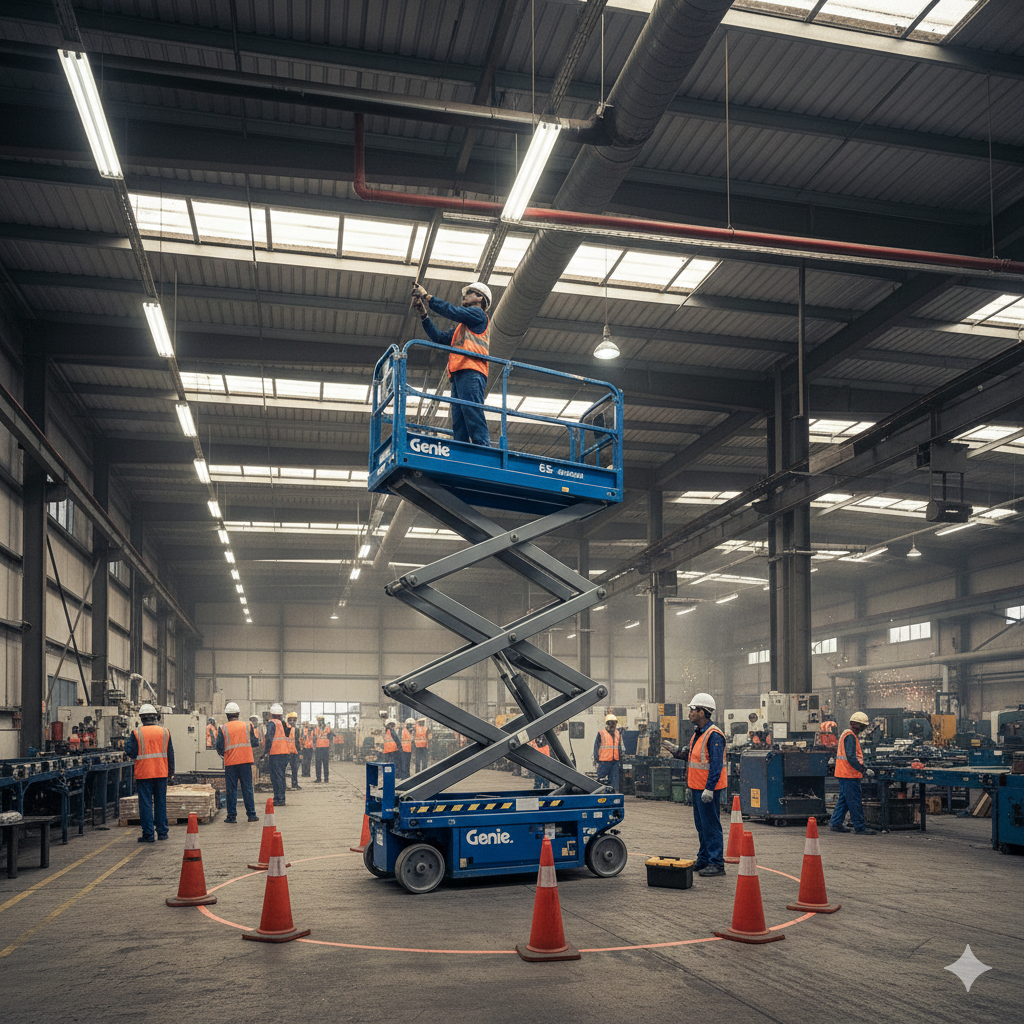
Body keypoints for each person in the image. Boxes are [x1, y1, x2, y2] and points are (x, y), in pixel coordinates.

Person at [411, 279, 492, 446]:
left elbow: (452, 311)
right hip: (458, 374)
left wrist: (427, 297)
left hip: (472, 370)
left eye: (470, 293)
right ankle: (461, 451)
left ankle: (483, 448)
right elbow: (439, 338)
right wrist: (423, 314)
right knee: (458, 419)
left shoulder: (479, 315)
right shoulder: (461, 328)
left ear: (480, 299)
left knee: (472, 412)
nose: (465, 295)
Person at [663, 692, 727, 877]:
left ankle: (716, 863)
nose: (690, 713)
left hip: (708, 790)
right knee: (702, 826)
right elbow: (693, 757)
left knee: (711, 826)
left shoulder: (713, 735)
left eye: (693, 709)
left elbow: (716, 765)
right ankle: (705, 858)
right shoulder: (698, 734)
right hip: (697, 788)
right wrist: (677, 752)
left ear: (703, 711)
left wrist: (709, 788)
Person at [125, 703, 174, 843]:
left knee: (146, 804)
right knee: (160, 802)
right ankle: (162, 832)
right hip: (161, 772)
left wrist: (125, 745)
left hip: (144, 773)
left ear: (141, 718)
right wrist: (171, 773)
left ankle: (148, 834)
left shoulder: (136, 733)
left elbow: (131, 752)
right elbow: (170, 754)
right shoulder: (165, 731)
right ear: (155, 717)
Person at [830, 711, 878, 835]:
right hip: (849, 774)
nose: (862, 729)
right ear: (857, 725)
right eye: (862, 726)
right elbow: (851, 757)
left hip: (844, 773)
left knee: (844, 800)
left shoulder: (846, 734)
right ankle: (860, 827)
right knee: (854, 801)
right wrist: (863, 769)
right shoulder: (850, 736)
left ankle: (836, 823)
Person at [216, 701, 260, 823]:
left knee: (231, 789)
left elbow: (219, 746)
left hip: (231, 763)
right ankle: (251, 814)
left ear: (227, 715)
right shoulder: (247, 725)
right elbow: (255, 742)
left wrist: (225, 754)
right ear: (238, 714)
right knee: (247, 788)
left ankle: (231, 816)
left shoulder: (223, 728)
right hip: (245, 761)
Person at [264, 704, 292, 807]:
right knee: (281, 776)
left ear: (271, 714)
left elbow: (269, 738)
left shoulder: (271, 723)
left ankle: (278, 798)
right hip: (285, 753)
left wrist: (266, 752)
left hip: (275, 753)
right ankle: (281, 798)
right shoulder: (284, 724)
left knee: (276, 777)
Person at [593, 713, 624, 792]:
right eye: (610, 723)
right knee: (601, 779)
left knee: (614, 780)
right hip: (604, 761)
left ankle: (614, 795)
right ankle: (599, 794)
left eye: (614, 723)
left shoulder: (618, 734)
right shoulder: (601, 733)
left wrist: (621, 758)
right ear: (607, 724)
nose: (612, 725)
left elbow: (619, 747)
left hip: (615, 762)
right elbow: (596, 746)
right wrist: (596, 757)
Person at [286, 711, 302, 790]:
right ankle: (283, 785)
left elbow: (298, 741)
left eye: (294, 720)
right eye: (290, 720)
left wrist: (300, 753)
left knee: (294, 769)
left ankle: (294, 784)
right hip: (285, 752)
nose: (292, 722)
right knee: (283, 770)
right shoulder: (284, 729)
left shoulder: (297, 730)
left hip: (294, 752)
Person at [314, 716, 332, 783]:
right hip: (318, 748)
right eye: (318, 721)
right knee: (318, 764)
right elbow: (314, 737)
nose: (319, 722)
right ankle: (318, 778)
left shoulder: (328, 728)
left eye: (320, 720)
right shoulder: (316, 728)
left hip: (325, 748)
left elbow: (330, 737)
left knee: (325, 764)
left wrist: (330, 747)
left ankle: (326, 778)